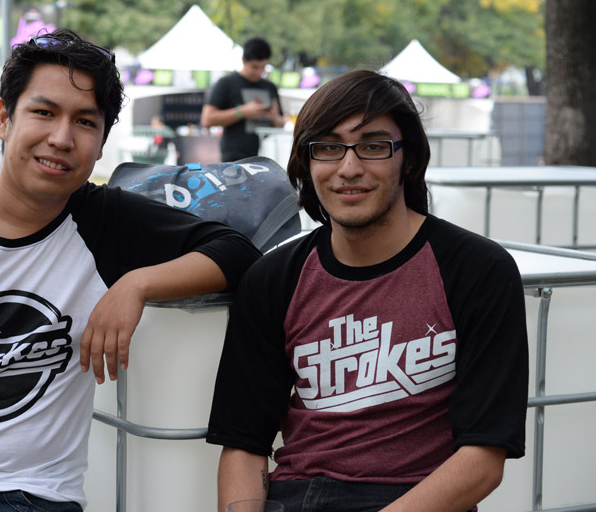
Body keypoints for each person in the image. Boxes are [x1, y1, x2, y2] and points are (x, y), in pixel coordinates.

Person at [0, 28, 261, 512]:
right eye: (44, 112)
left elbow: (237, 251)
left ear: (102, 144)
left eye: (85, 121)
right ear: (3, 118)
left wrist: (136, 284)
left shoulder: (106, 222)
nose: (61, 138)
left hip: (32, 497)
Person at [207, 69, 529, 512]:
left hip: (419, 498)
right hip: (299, 494)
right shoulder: (273, 279)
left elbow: (483, 459)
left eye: (373, 146)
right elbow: (244, 445)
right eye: (328, 147)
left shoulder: (478, 270)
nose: (349, 168)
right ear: (307, 162)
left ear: (408, 159)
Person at [201, 37, 285, 162]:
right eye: (254, 67)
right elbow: (207, 119)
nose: (259, 72)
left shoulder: (270, 87)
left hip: (265, 157)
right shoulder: (226, 83)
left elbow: (281, 123)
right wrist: (242, 112)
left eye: (263, 67)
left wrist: (275, 118)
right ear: (243, 61)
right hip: (234, 157)